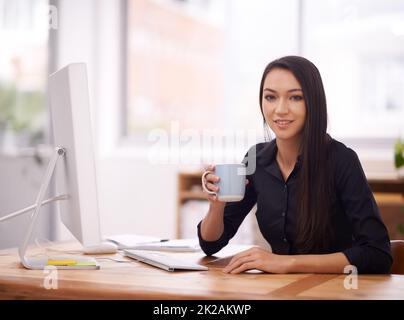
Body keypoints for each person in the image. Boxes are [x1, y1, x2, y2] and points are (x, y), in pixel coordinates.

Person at [198, 55, 392, 274]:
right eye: (270, 97)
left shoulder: (342, 160)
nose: (280, 109)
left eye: (295, 98)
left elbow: (378, 253)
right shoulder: (256, 159)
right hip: (282, 290)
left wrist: (286, 263)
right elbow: (211, 244)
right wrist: (216, 206)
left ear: (313, 102)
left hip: (336, 291)